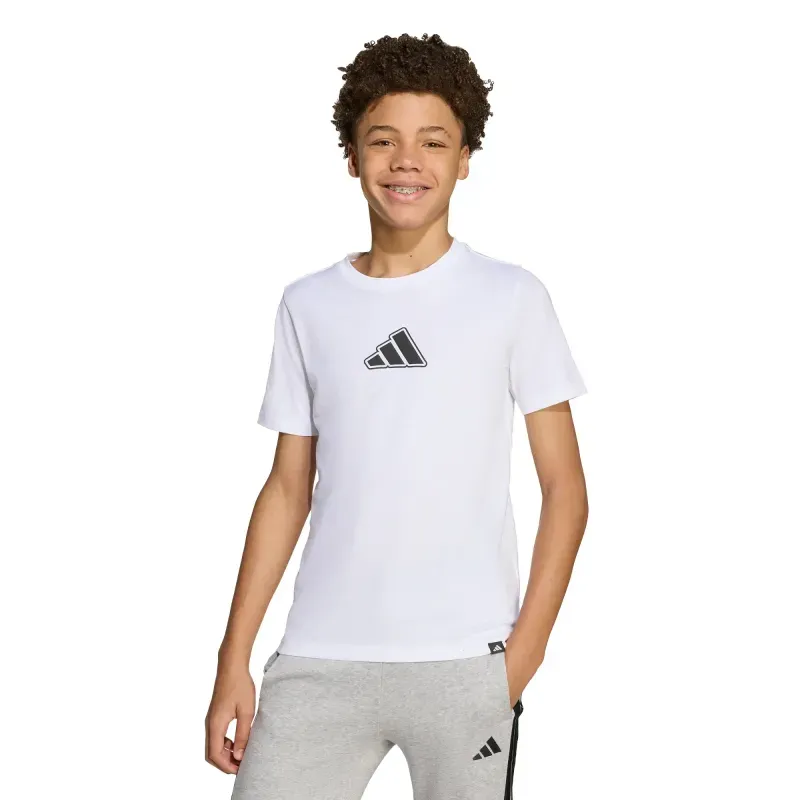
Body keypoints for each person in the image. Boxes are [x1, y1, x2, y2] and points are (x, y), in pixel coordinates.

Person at [206, 32, 589, 800]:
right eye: (384, 140)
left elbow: (566, 490)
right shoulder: (309, 305)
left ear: (465, 158)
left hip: (466, 663)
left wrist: (522, 658)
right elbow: (287, 488)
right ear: (352, 156)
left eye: (433, 142)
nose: (407, 161)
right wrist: (232, 659)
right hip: (319, 659)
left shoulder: (511, 298)